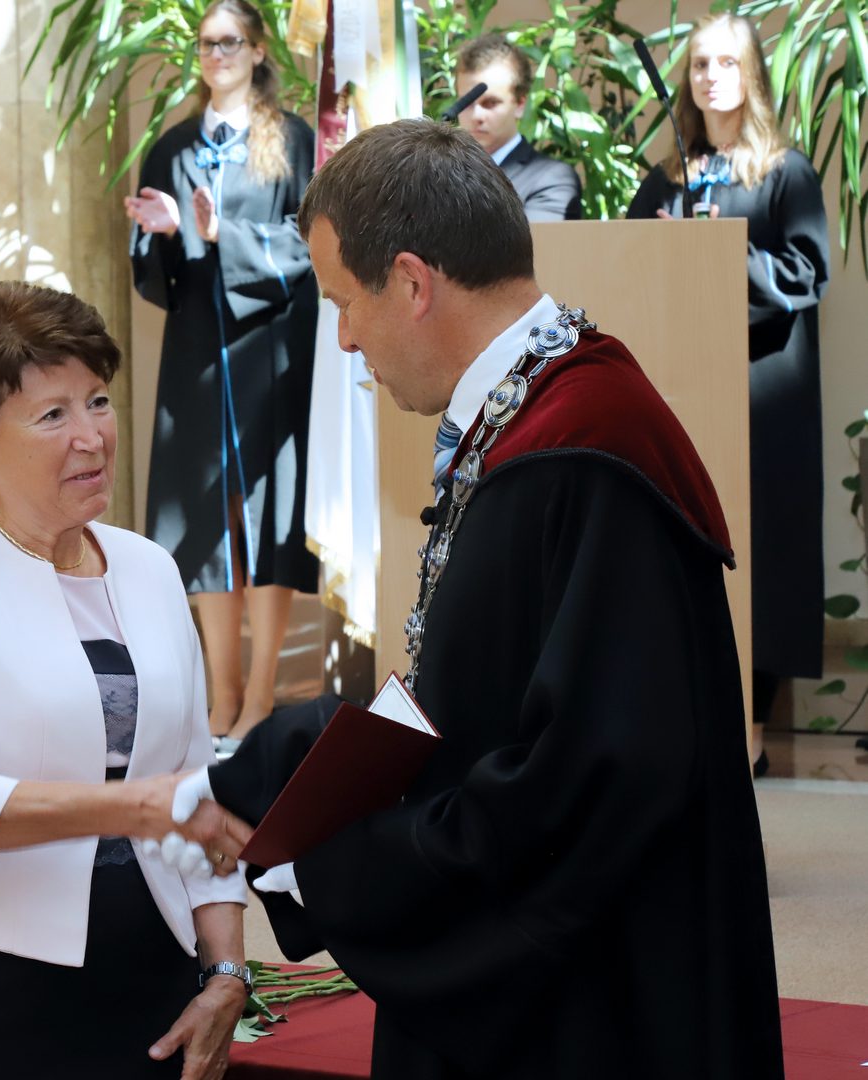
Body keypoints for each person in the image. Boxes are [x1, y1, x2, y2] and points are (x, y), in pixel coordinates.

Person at [176, 119, 785, 1076]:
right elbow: (480, 690)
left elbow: (580, 785)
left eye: (343, 302)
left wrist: (333, 866)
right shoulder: (546, 404)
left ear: (412, 283)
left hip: (590, 1007)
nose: (343, 338)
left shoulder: (574, 450)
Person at [0, 281, 252, 1080]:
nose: (91, 437)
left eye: (97, 401)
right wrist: (134, 806)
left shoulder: (148, 566)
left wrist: (225, 970)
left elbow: (196, 790)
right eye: (51, 415)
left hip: (143, 981)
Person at [628, 13, 830, 763]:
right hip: (679, 385)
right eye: (699, 64)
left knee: (761, 549)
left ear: (752, 76)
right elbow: (630, 265)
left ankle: (751, 730)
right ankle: (688, 723)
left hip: (760, 390)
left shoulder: (784, 171)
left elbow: (807, 273)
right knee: (681, 545)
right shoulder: (666, 176)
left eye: (726, 62)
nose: (710, 76)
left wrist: (724, 253)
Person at [125, 0, 320, 742]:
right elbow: (155, 272)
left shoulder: (292, 140)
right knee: (204, 516)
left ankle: (264, 694)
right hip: (198, 349)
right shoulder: (172, 146)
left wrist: (222, 233)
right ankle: (223, 695)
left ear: (258, 49)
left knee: (267, 514)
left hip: (271, 344)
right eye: (206, 44)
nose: (216, 55)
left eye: (230, 42)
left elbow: (310, 242)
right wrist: (166, 235)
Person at [454, 33, 583, 222]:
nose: (476, 116)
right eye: (466, 103)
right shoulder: (441, 174)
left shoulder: (551, 179)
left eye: (490, 103)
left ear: (520, 104)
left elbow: (535, 240)